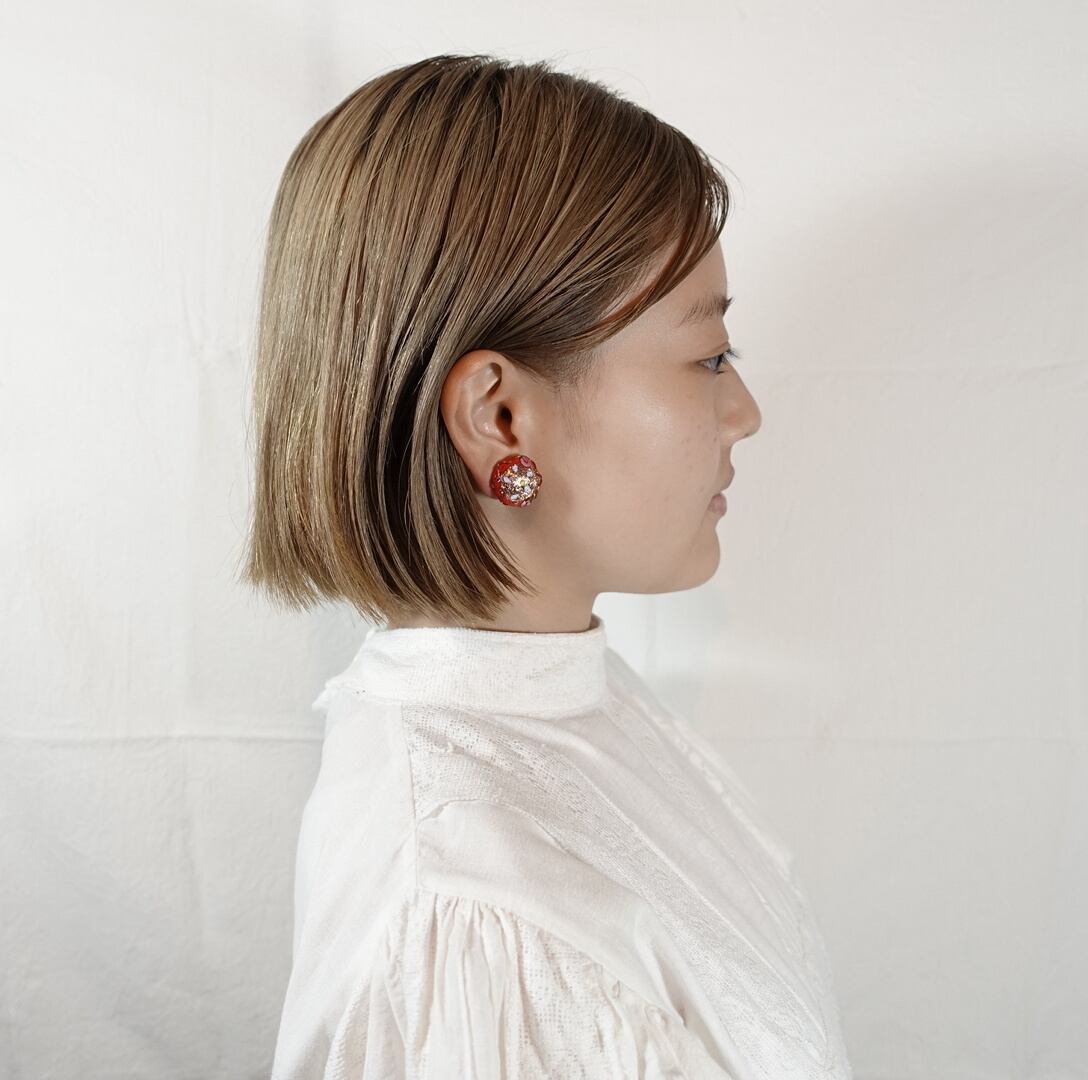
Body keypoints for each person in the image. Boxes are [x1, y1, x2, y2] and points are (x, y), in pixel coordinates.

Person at [241, 52, 854, 1079]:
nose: (743, 413)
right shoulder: (477, 911)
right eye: (709, 357)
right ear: (501, 419)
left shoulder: (570, 705)